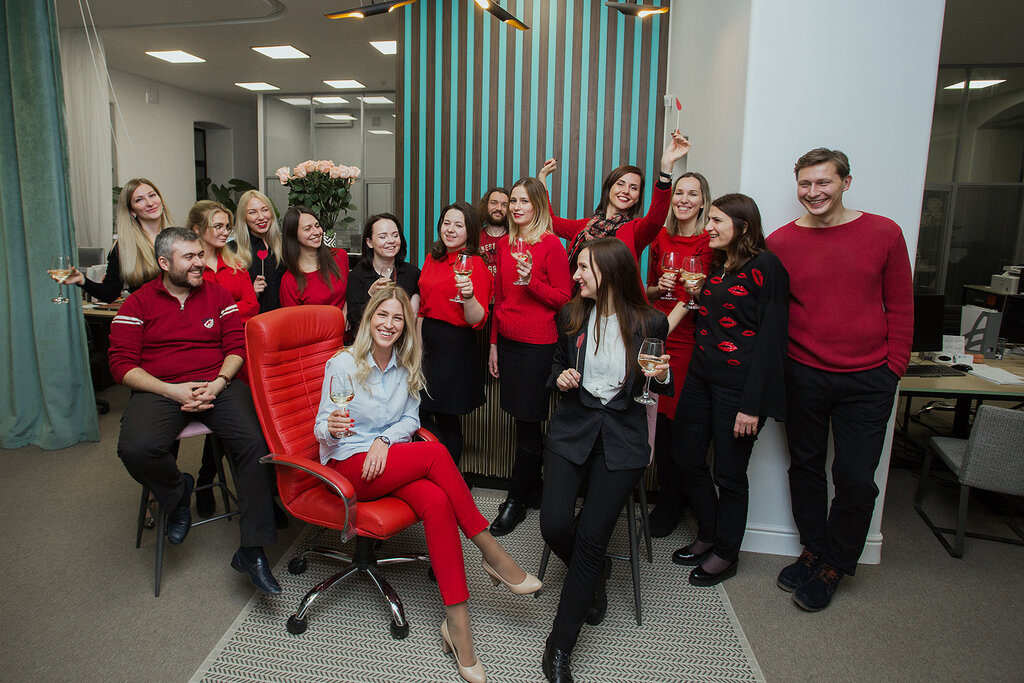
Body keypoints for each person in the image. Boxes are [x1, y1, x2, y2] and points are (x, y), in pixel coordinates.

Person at [315, 287, 540, 683]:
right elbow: (322, 427)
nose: (388, 324)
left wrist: (385, 440)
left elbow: (410, 420)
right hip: (349, 467)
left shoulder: (405, 366)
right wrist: (332, 427)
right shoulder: (343, 364)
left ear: (405, 326)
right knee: (436, 454)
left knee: (436, 500)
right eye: (382, 315)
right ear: (369, 318)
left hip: (386, 462)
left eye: (397, 318)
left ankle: (457, 626)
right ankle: (491, 551)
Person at [766, 148, 913, 611]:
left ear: (846, 182)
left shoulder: (885, 233)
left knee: (854, 477)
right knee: (805, 466)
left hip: (868, 378)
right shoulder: (780, 242)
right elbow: (772, 311)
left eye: (823, 182)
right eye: (805, 184)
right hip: (803, 374)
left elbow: (901, 305)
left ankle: (835, 563)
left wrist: (894, 367)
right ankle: (813, 549)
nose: (813, 192)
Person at [108, 227, 281, 594]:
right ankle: (177, 492)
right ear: (164, 262)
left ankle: (252, 551)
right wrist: (171, 390)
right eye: (189, 257)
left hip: (216, 383)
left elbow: (235, 348)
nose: (199, 263)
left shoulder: (217, 294)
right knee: (135, 448)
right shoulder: (137, 303)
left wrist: (219, 383)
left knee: (257, 443)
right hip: (161, 388)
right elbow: (121, 366)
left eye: (200, 255)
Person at [539, 238, 671, 683]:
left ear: (610, 272)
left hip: (623, 438)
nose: (575, 276)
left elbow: (658, 383)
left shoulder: (651, 321)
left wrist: (663, 373)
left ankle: (560, 646)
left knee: (592, 539)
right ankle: (594, 571)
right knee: (554, 525)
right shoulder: (571, 315)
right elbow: (555, 366)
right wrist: (560, 377)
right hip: (573, 430)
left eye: (583, 268)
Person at [669, 194, 789, 588]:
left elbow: (772, 339)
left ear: (743, 226)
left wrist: (752, 405)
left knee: (729, 473)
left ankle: (726, 551)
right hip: (701, 378)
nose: (709, 228)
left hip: (739, 389)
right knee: (686, 455)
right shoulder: (718, 267)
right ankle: (708, 532)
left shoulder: (766, 267)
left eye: (717, 220)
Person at [487, 177, 573, 536]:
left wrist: (531, 282)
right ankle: (533, 489)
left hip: (538, 346)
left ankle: (516, 500)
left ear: (538, 205)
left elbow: (565, 300)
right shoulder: (504, 244)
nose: (517, 207)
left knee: (528, 421)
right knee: (520, 420)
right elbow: (499, 297)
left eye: (524, 201)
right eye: (513, 201)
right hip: (507, 343)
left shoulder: (551, 245)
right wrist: (493, 344)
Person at [644, 172, 714, 537]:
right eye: (679, 193)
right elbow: (650, 291)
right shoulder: (660, 237)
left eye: (693, 194)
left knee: (677, 426)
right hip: (659, 334)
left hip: (685, 341)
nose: (684, 199)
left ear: (703, 202)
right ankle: (665, 498)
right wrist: (658, 287)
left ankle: (673, 502)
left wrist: (657, 336)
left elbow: (694, 299)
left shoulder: (708, 241)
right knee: (656, 422)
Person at [537, 131, 691, 266]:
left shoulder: (635, 231)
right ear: (609, 188)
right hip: (579, 291)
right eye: (620, 184)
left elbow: (655, 219)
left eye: (633, 188)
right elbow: (550, 221)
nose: (626, 191)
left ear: (638, 198)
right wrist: (542, 177)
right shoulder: (585, 227)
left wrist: (666, 169)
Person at [417, 202, 492, 468]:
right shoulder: (431, 258)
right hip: (427, 343)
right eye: (446, 223)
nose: (450, 229)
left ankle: (448, 479)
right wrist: (417, 347)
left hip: (454, 347)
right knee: (420, 411)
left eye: (458, 225)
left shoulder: (475, 265)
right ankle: (443, 475)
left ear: (469, 231)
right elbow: (423, 306)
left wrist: (469, 296)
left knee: (444, 416)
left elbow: (477, 319)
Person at [61, 178, 173, 301]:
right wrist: (82, 280)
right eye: (139, 200)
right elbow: (110, 293)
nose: (150, 203)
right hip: (149, 312)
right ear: (131, 210)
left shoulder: (181, 238)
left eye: (152, 195)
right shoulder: (124, 247)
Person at [347, 213, 420, 338]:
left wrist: (417, 297)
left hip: (404, 342)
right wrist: (371, 295)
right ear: (369, 242)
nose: (391, 241)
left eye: (395, 235)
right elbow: (355, 322)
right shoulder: (357, 275)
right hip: (369, 343)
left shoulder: (413, 273)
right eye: (383, 237)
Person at [188, 200, 259, 325]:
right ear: (197, 229)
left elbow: (252, 306)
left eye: (227, 227)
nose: (225, 233)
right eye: (218, 227)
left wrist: (216, 314)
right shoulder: (186, 267)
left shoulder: (236, 264)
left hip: (238, 333)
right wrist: (234, 308)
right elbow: (192, 312)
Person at [280, 205, 349, 313]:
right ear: (293, 234)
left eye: (317, 226)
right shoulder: (289, 281)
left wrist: (346, 311)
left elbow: (351, 292)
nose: (317, 232)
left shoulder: (340, 256)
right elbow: (293, 320)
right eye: (307, 229)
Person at [233, 189, 286, 314]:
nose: (261, 217)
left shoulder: (285, 244)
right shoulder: (233, 250)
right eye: (252, 212)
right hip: (255, 319)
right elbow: (227, 301)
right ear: (243, 217)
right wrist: (251, 293)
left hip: (285, 318)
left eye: (265, 210)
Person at [477, 187, 509, 277]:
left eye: (504, 205)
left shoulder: (516, 238)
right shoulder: (474, 237)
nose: (499, 208)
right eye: (494, 203)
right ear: (486, 205)